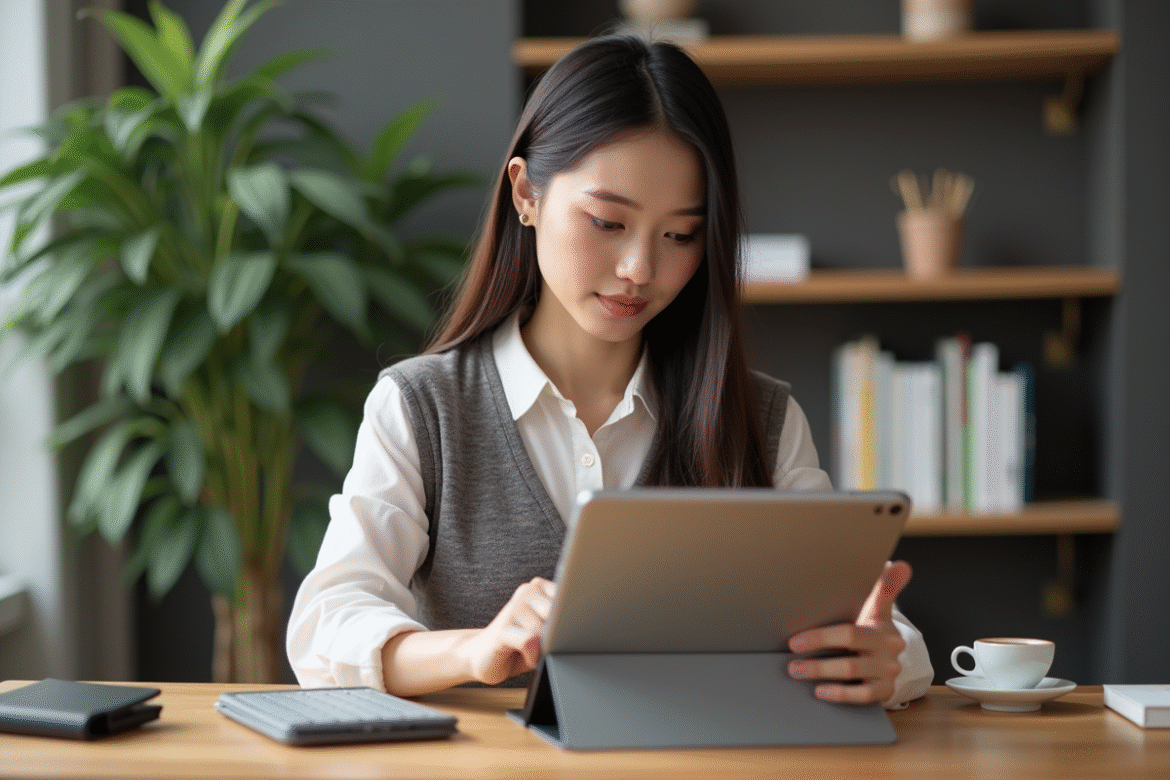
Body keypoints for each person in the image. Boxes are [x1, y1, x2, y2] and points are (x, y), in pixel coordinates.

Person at [287, 34, 933, 708]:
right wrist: (474, 649)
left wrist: (883, 660)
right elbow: (327, 626)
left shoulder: (761, 421)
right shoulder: (420, 407)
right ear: (526, 193)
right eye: (606, 221)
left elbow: (886, 636)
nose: (640, 270)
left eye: (680, 235)